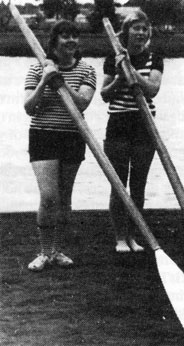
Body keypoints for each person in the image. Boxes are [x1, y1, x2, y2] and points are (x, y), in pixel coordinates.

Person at [24, 20, 96, 271]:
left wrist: (61, 82)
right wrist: (45, 80)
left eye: (75, 37)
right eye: (65, 37)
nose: (71, 41)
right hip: (43, 135)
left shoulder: (86, 70)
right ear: (54, 42)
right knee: (48, 197)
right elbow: (29, 108)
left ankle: (57, 250)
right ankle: (45, 252)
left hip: (72, 137)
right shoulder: (36, 69)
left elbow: (82, 104)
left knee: (64, 199)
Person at [100, 10, 163, 253]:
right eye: (136, 28)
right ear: (126, 32)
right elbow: (105, 95)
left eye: (145, 29)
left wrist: (132, 71)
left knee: (138, 185)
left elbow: (152, 90)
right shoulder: (111, 57)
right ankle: (119, 238)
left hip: (144, 125)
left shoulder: (154, 58)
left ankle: (133, 236)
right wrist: (119, 75)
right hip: (118, 124)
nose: (141, 32)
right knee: (118, 183)